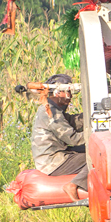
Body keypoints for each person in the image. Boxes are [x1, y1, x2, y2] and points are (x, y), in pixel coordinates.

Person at [31, 73, 87, 202]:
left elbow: (71, 122)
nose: (70, 97)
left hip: (57, 154)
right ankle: (73, 185)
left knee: (88, 148)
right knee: (97, 155)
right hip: (53, 161)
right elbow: (73, 139)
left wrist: (90, 115)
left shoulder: (53, 109)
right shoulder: (50, 112)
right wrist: (94, 135)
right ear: (58, 93)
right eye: (68, 92)